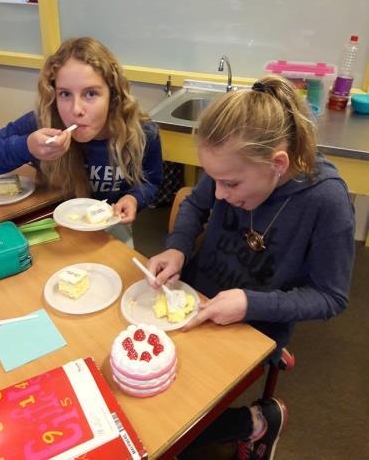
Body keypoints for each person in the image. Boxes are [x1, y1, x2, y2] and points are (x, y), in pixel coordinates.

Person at [147, 75, 355, 459]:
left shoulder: (327, 203)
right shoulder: (233, 164)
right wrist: (177, 249)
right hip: (196, 297)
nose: (220, 195)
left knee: (165, 428)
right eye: (215, 180)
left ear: (278, 163)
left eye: (230, 184)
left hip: (255, 325)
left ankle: (258, 422)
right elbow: (195, 203)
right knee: (142, 385)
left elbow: (331, 297)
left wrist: (251, 304)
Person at [0, 37, 163, 245]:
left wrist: (134, 198)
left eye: (90, 94)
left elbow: (151, 181)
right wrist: (25, 147)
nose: (76, 110)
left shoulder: (141, 132)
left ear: (113, 95)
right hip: (55, 233)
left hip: (110, 232)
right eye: (65, 94)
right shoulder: (43, 123)